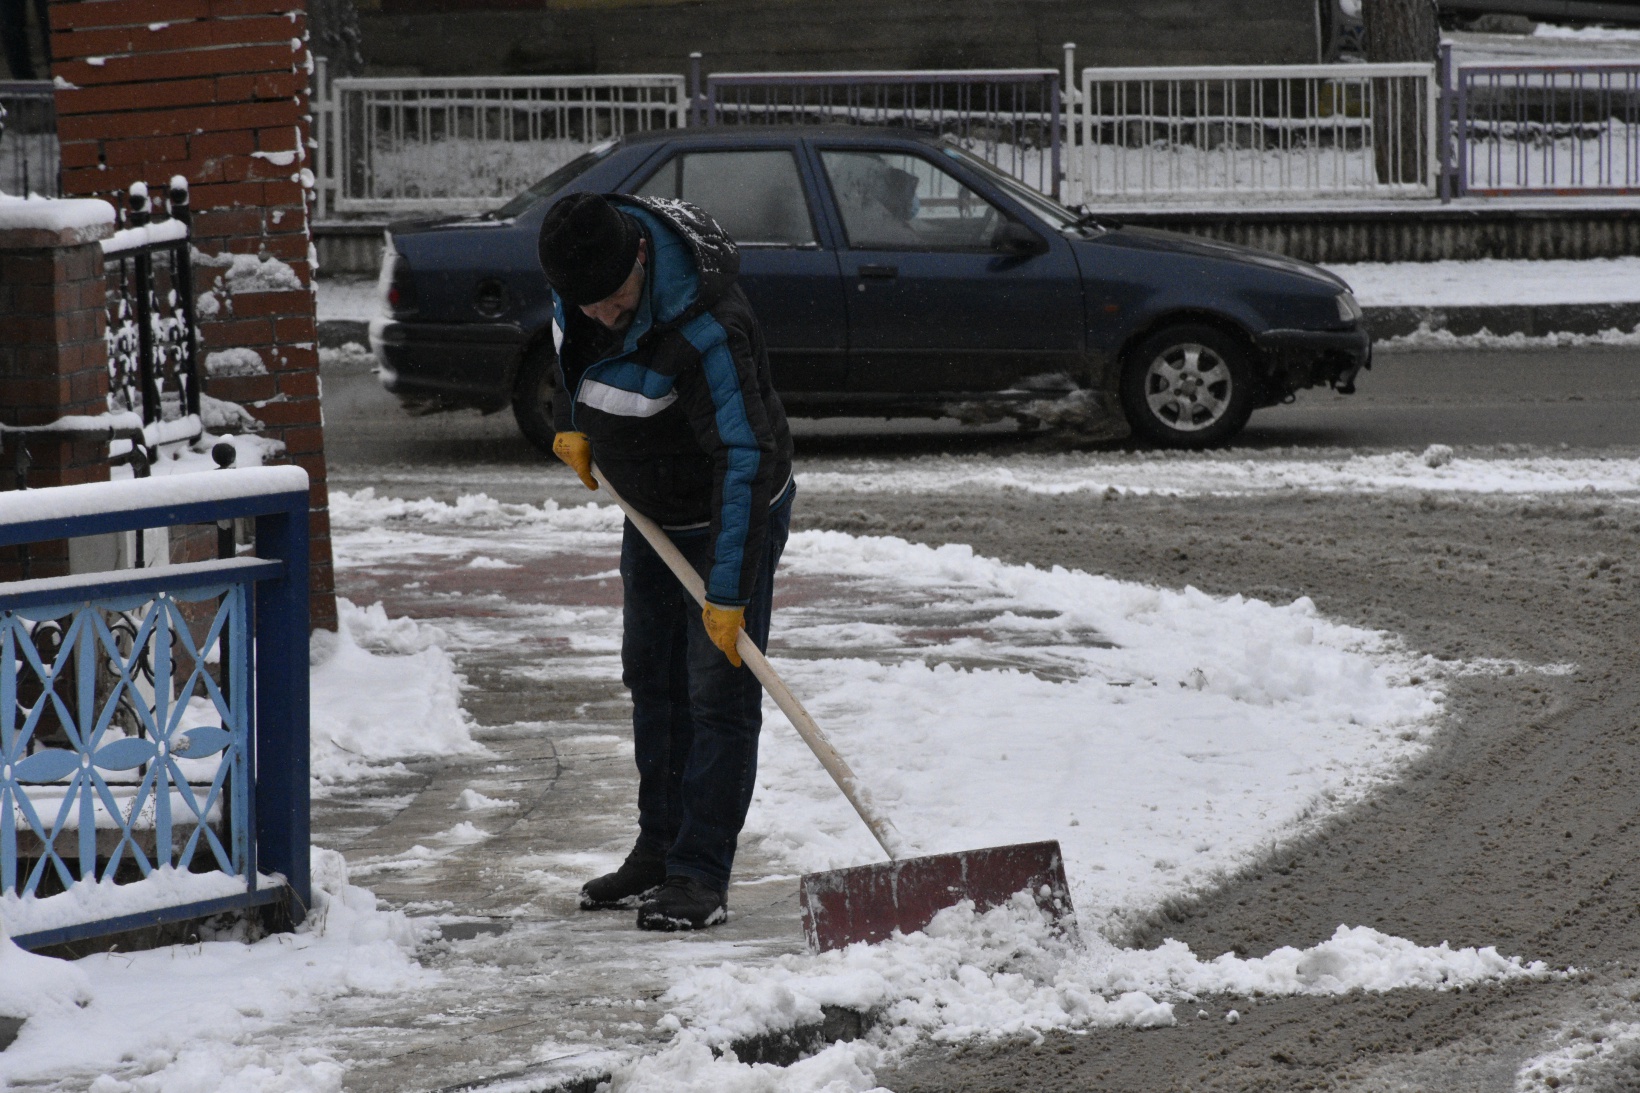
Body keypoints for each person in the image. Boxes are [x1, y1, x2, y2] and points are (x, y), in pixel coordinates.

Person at [537, 191, 794, 931]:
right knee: (652, 674)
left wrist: (728, 590)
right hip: (651, 513)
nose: (606, 317)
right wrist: (572, 421)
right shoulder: (581, 291)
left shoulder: (709, 327)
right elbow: (569, 349)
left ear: (642, 259)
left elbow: (746, 456)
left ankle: (700, 872)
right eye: (589, 305)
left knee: (717, 690)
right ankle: (660, 846)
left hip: (728, 513)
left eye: (617, 300)